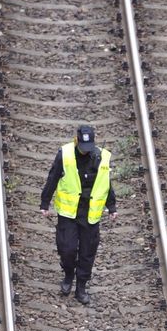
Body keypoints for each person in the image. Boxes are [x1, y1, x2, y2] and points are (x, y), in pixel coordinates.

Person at [40, 125, 116, 305]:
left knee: (87, 252)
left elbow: (106, 183)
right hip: (68, 213)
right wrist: (45, 202)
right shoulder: (65, 154)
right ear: (76, 141)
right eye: (82, 147)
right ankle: (68, 273)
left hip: (90, 213)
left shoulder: (102, 156)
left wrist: (112, 206)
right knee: (67, 248)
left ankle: (81, 287)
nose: (85, 152)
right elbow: (53, 177)